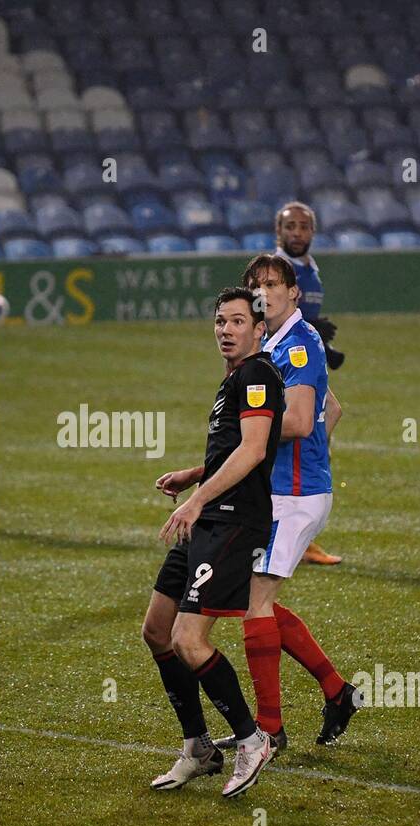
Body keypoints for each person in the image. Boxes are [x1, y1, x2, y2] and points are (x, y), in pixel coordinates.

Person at [212, 254, 358, 755]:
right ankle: (338, 693)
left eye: (273, 284)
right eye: (256, 285)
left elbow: (297, 421)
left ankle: (270, 730)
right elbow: (330, 408)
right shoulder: (274, 343)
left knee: (254, 605)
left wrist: (247, 442)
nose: (263, 292)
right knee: (257, 603)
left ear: (294, 292)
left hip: (292, 498)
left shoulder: (296, 345)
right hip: (283, 490)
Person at [143, 287, 281, 797]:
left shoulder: (259, 375)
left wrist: (198, 499)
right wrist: (193, 475)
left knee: (188, 640)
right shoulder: (233, 379)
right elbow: (231, 450)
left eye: (238, 321)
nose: (226, 330)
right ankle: (198, 747)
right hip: (209, 515)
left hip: (233, 522)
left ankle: (251, 739)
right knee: (157, 631)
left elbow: (252, 452)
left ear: (258, 328)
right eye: (220, 321)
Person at [274, 200, 343, 566]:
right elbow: (270, 318)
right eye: (290, 226)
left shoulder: (309, 270)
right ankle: (291, 527)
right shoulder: (278, 271)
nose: (297, 233)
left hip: (305, 359)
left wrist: (325, 350)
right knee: (297, 436)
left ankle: (299, 528)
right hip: (286, 364)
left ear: (313, 232)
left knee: (330, 414)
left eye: (303, 226)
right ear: (279, 232)